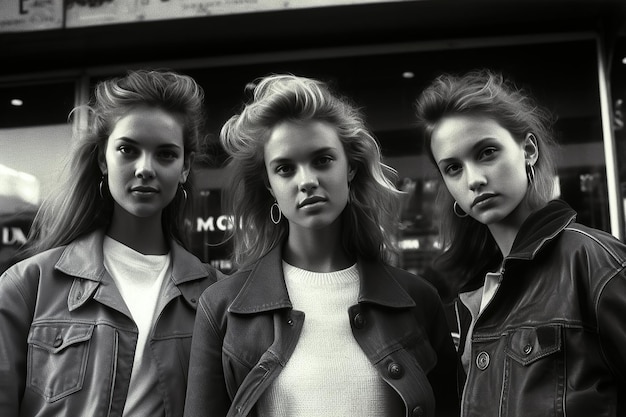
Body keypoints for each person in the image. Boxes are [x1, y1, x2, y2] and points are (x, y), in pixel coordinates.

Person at [184, 74, 460, 417]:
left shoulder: (418, 301)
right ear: (269, 187)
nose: (307, 181)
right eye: (285, 168)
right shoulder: (222, 309)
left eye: (322, 160)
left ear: (350, 168)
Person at [0, 69, 222, 417]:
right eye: (127, 150)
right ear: (103, 159)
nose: (145, 168)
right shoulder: (28, 285)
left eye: (165, 154)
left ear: (185, 167)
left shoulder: (214, 296)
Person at [414, 68, 626, 416]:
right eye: (453, 168)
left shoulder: (592, 261)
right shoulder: (465, 296)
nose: (474, 179)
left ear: (528, 150)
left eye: (486, 152)